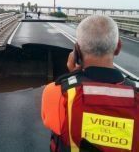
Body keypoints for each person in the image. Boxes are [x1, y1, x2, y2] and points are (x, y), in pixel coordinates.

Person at [41, 15, 139, 152]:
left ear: (77, 51)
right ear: (118, 47)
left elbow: (53, 124)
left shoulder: (56, 92)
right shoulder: (136, 95)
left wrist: (73, 77)